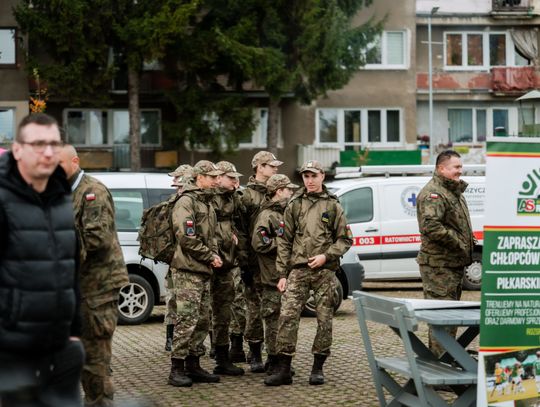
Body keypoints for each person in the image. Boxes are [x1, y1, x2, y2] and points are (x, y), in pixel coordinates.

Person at [0, 113, 84, 406]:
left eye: (54, 144)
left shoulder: (61, 197)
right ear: (17, 149)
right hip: (12, 352)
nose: (48, 152)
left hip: (59, 348)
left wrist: (74, 331)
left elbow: (70, 267)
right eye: (38, 144)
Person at [266, 160, 352, 386]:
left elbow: (345, 239)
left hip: (324, 272)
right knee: (287, 317)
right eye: (306, 176)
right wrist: (282, 274)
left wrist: (326, 256)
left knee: (324, 320)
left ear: (322, 176)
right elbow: (284, 241)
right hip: (298, 270)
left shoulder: (333, 205)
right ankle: (284, 369)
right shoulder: (295, 204)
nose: (310, 180)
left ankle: (317, 368)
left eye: (314, 175)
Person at [58, 145, 129, 407]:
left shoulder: (92, 192)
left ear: (74, 161)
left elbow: (97, 240)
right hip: (78, 287)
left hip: (98, 288)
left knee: (95, 358)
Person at [167, 160, 224, 387]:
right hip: (187, 271)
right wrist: (209, 255)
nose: (216, 181)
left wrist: (214, 254)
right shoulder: (186, 201)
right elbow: (186, 237)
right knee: (186, 319)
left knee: (202, 320)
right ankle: (176, 368)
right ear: (199, 178)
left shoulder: (206, 203)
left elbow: (213, 236)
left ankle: (193, 364)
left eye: (217, 177)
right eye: (212, 177)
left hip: (203, 270)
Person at [416, 150, 475, 356]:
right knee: (442, 320)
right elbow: (431, 227)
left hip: (451, 266)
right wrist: (460, 243)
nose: (460, 171)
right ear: (441, 168)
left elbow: (457, 225)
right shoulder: (434, 193)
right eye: (456, 167)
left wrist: (470, 242)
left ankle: (444, 362)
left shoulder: (453, 192)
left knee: (449, 319)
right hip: (439, 268)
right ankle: (440, 366)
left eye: (461, 166)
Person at [239, 151, 282, 373]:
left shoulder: (276, 192)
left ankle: (275, 354)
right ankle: (255, 352)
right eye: (271, 166)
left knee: (274, 309)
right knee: (254, 309)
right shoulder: (247, 196)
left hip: (273, 262)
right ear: (259, 167)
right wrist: (244, 263)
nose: (275, 169)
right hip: (253, 262)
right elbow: (240, 231)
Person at [251, 174, 297, 375]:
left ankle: (279, 359)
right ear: (279, 191)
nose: (291, 192)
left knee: (283, 320)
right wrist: (284, 243)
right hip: (272, 276)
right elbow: (259, 243)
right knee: (272, 320)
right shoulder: (267, 215)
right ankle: (273, 359)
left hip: (283, 274)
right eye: (288, 189)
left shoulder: (284, 212)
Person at [208, 161, 245, 376]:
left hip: (227, 261)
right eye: (231, 178)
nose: (235, 181)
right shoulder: (206, 197)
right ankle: (189, 361)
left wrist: (234, 236)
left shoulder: (233, 198)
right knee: (201, 313)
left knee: (224, 311)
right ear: (218, 177)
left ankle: (222, 358)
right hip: (207, 261)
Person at [164, 164, 193, 352]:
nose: (174, 181)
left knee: (179, 301)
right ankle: (171, 338)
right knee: (173, 300)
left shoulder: (185, 201)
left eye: (177, 177)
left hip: (182, 259)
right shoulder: (175, 202)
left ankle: (176, 339)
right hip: (176, 259)